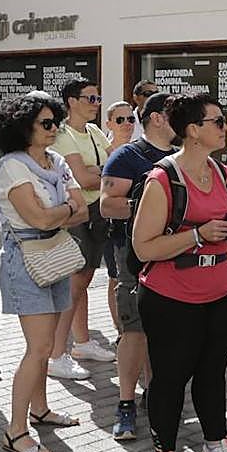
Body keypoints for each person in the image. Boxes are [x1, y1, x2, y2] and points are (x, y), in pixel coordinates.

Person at [131, 93, 227, 452]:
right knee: (169, 378)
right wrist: (198, 235)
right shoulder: (163, 178)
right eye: (217, 121)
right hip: (171, 296)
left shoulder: (220, 172)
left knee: (212, 373)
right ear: (192, 131)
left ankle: (215, 444)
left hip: (219, 290)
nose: (225, 127)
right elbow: (143, 248)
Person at [0, 91, 88, 452]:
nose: (54, 129)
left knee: (44, 346)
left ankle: (40, 409)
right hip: (26, 257)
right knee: (40, 347)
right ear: (23, 127)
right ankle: (15, 432)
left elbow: (82, 211)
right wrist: (66, 208)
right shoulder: (14, 166)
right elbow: (42, 218)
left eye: (56, 122)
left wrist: (61, 211)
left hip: (54, 254)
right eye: (46, 123)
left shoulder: (55, 160)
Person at [99, 92, 177, 441]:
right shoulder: (127, 155)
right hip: (134, 255)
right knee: (134, 330)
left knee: (167, 331)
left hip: (175, 255)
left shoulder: (182, 156)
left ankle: (155, 392)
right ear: (158, 118)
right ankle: (125, 404)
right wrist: (153, 207)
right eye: (176, 113)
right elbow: (106, 206)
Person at [48, 77, 116, 379]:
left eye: (97, 98)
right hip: (78, 212)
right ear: (71, 101)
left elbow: (112, 164)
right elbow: (83, 178)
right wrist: (99, 172)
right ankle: (56, 354)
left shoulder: (92, 131)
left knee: (84, 280)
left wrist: (97, 171)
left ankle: (82, 342)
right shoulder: (63, 134)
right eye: (90, 98)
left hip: (97, 210)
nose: (95, 104)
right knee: (74, 285)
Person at [102, 100, 136, 335]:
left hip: (135, 226)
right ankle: (120, 330)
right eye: (120, 120)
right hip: (111, 223)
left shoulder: (138, 149)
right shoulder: (107, 152)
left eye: (131, 119)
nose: (127, 124)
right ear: (109, 124)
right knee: (116, 275)